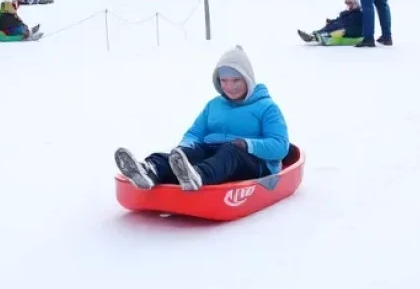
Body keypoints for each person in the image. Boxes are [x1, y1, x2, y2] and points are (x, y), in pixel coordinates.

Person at [114, 45, 289, 191]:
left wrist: (247, 144)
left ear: (248, 80)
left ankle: (197, 176)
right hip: (214, 154)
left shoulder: (267, 108)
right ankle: (150, 171)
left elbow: (280, 147)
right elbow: (196, 132)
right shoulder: (214, 105)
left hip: (253, 162)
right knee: (188, 152)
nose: (230, 86)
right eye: (224, 80)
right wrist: (185, 149)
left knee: (230, 153)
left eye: (236, 80)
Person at [298, 0, 363, 43]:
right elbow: (340, 20)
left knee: (337, 29)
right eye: (348, 4)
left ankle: (315, 37)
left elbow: (352, 23)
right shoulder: (346, 13)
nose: (349, 6)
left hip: (351, 31)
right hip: (343, 27)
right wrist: (332, 21)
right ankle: (314, 34)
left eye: (351, 4)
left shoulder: (358, 13)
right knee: (331, 25)